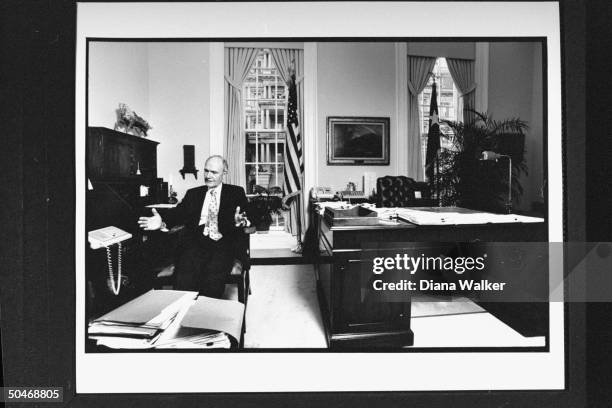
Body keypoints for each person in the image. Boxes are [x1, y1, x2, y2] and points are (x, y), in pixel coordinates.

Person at [138, 155, 250, 298]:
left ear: (224, 173)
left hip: (223, 242)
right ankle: (183, 314)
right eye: (206, 171)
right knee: (185, 277)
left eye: (214, 172)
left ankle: (205, 313)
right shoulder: (193, 194)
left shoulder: (236, 192)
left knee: (213, 279)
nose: (208, 176)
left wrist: (241, 220)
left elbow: (248, 215)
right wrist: (162, 222)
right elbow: (177, 214)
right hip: (196, 243)